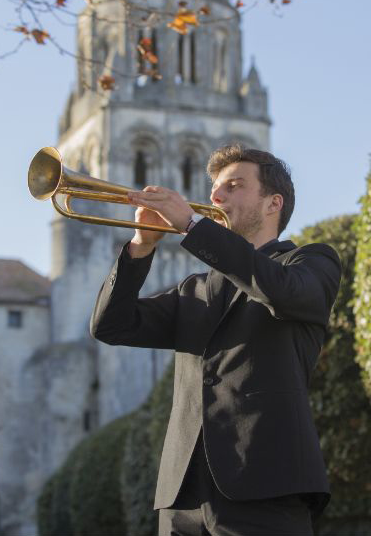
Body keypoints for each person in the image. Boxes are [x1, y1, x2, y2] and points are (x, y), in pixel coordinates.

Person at [90, 145, 342, 536]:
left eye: (234, 186)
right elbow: (111, 326)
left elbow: (281, 291)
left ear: (273, 203)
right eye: (215, 188)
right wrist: (140, 248)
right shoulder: (194, 289)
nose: (215, 197)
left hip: (266, 483)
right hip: (182, 496)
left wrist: (192, 226)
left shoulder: (310, 263)